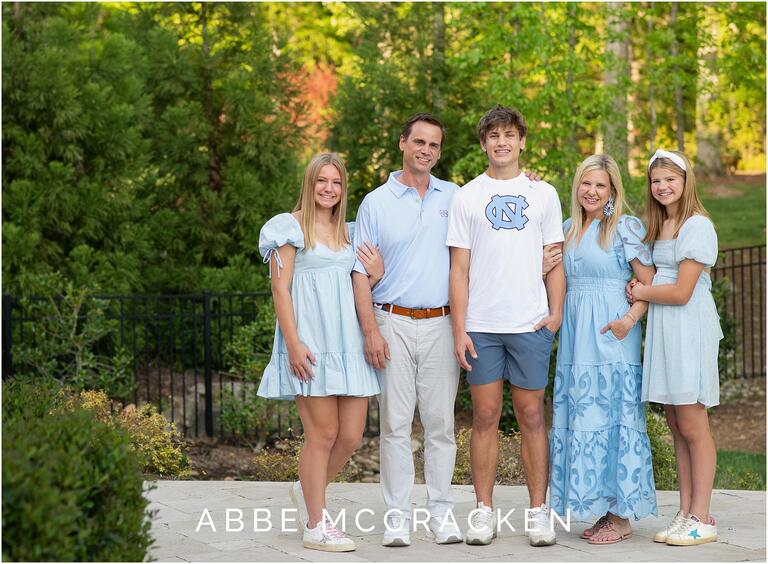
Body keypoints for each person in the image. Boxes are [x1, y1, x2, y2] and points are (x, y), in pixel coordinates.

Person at [352, 113, 559, 548]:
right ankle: (405, 517)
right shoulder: (390, 201)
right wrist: (375, 324)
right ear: (403, 143)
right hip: (415, 322)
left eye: (434, 144)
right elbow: (450, 269)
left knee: (449, 425)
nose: (426, 150)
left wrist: (552, 308)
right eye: (419, 142)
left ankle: (459, 514)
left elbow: (537, 253)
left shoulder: (462, 194)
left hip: (467, 323)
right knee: (402, 425)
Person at [447, 105, 565, 547]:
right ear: (483, 144)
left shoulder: (543, 194)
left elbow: (555, 260)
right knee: (485, 416)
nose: (501, 142)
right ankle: (483, 511)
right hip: (481, 326)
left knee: (532, 415)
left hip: (530, 323)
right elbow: (459, 270)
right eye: (493, 135)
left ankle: (538, 512)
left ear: (521, 141)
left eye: (509, 135)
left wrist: (555, 314)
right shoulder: (467, 197)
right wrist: (459, 329)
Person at [258, 153, 382, 552]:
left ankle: (306, 489)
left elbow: (359, 282)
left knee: (351, 436)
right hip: (310, 343)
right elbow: (280, 289)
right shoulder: (288, 227)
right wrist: (293, 343)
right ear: (309, 184)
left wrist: (376, 274)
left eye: (337, 182)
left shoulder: (349, 233)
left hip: (348, 345)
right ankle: (316, 525)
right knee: (323, 434)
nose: (329, 189)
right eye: (322, 181)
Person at [548, 154, 658, 546]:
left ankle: (621, 517)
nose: (592, 192)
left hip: (612, 336)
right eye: (586, 183)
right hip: (576, 339)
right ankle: (602, 509)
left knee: (614, 420)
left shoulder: (625, 228)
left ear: (612, 192)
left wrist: (629, 319)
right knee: (585, 418)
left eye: (600, 186)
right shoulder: (567, 228)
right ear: (576, 186)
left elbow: (648, 283)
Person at [629, 149, 722, 546]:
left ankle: (702, 517)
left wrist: (641, 291)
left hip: (688, 327)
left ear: (686, 182)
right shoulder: (662, 223)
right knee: (675, 424)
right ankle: (685, 512)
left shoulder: (697, 225)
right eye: (656, 180)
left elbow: (682, 291)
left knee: (693, 423)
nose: (663, 186)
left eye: (670, 179)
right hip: (665, 329)